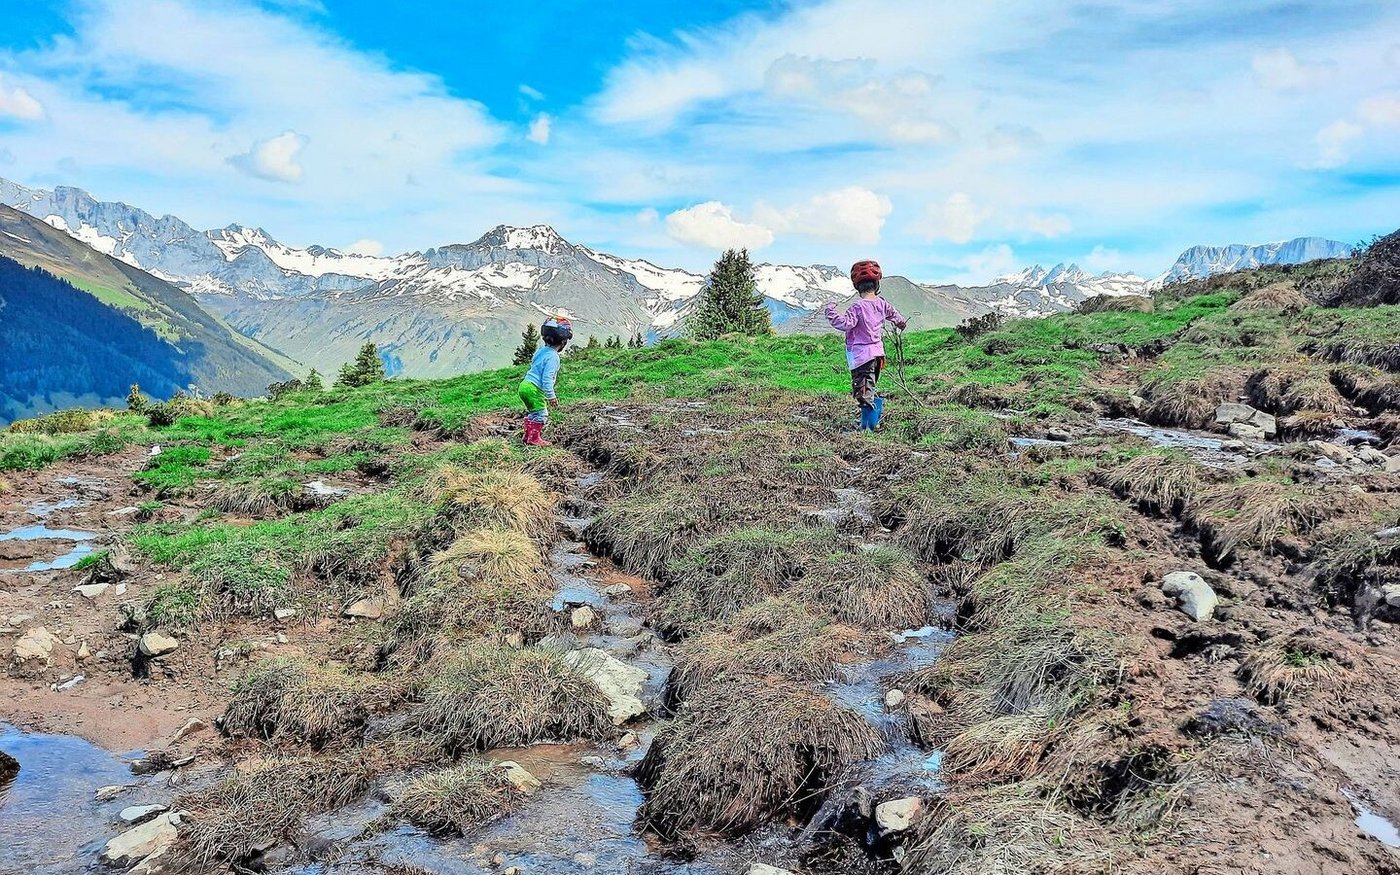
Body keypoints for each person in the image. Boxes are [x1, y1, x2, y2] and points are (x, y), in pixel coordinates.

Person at [825, 260, 907, 431]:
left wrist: (830, 310)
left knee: (863, 392)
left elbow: (844, 323)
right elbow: (895, 315)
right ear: (877, 284)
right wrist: (901, 323)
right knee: (869, 387)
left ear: (857, 286)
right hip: (878, 356)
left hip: (862, 357)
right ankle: (870, 421)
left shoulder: (858, 306)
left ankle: (869, 427)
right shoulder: (882, 303)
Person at [519, 314, 572, 446]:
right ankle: (534, 439)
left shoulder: (541, 351)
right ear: (563, 342)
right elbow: (546, 379)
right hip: (534, 389)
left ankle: (527, 437)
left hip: (524, 385)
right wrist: (551, 396)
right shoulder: (553, 357)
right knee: (542, 415)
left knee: (534, 413)